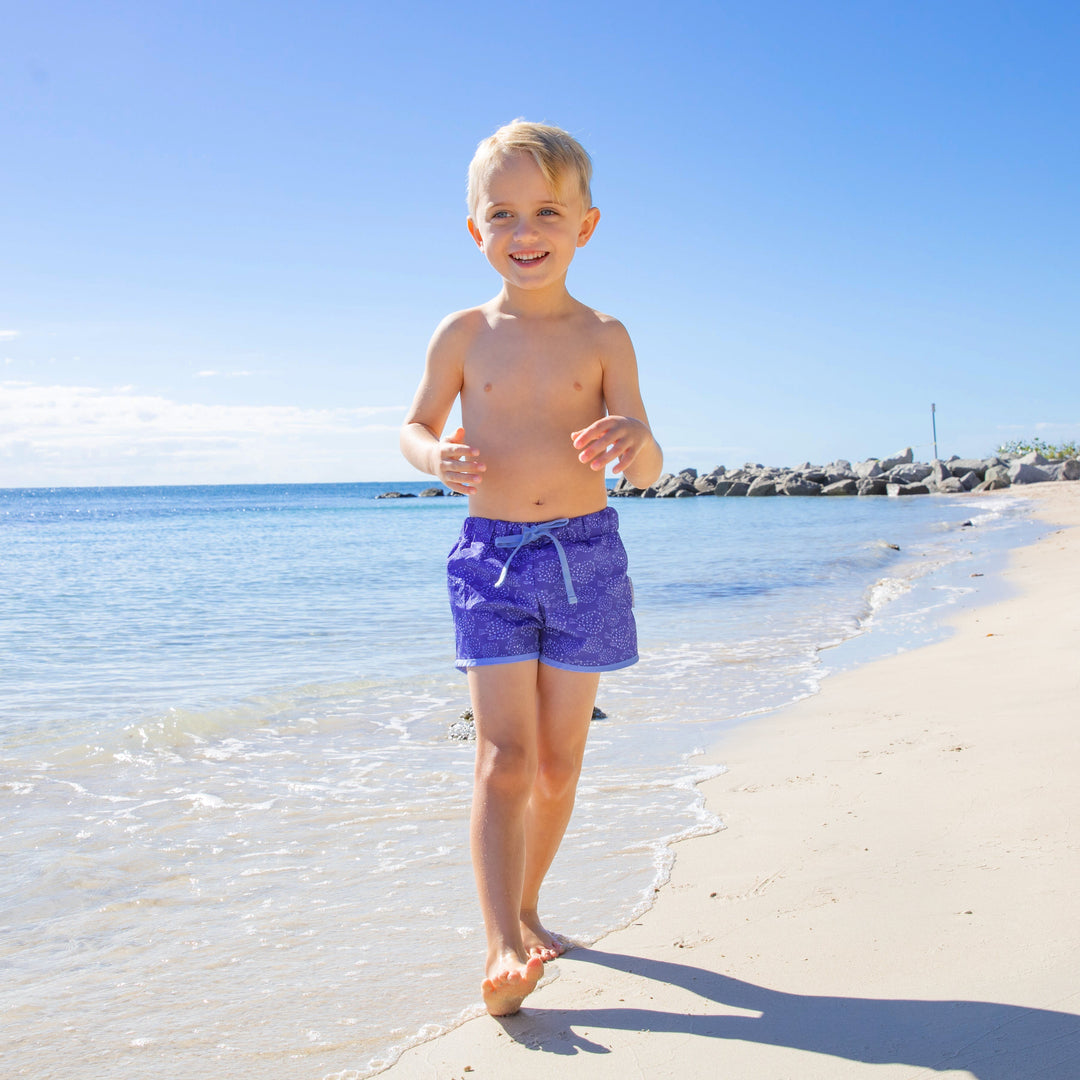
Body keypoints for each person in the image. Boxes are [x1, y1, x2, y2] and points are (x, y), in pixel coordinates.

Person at [400, 120, 663, 1016]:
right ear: (476, 230)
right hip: (492, 564)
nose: (527, 229)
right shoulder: (463, 333)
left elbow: (653, 460)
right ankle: (501, 943)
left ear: (585, 225)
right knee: (504, 757)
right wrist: (435, 459)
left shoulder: (605, 335)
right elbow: (415, 426)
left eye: (548, 210)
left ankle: (529, 904)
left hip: (588, 556)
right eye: (503, 212)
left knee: (557, 764)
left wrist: (634, 440)